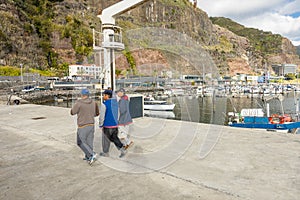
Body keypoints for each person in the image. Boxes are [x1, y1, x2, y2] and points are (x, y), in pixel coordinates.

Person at [71, 89, 99, 165]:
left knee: (80, 142)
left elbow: (72, 112)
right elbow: (97, 113)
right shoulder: (94, 103)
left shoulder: (79, 103)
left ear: (82, 95)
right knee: (89, 142)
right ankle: (88, 156)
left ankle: (91, 154)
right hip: (91, 125)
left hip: (83, 125)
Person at [99, 89, 127, 158]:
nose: (103, 96)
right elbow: (119, 113)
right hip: (115, 125)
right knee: (115, 138)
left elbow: (102, 116)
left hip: (107, 125)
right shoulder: (116, 103)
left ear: (107, 96)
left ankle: (105, 153)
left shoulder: (104, 104)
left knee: (106, 140)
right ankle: (122, 150)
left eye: (104, 95)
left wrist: (100, 124)